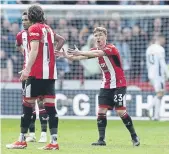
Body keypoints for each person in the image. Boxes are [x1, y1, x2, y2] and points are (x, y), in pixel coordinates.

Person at [57, 27, 140, 146]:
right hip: (106, 85)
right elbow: (80, 57)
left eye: (100, 35)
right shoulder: (93, 50)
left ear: (105, 36)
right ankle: (101, 140)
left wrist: (79, 51)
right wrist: (65, 55)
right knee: (101, 111)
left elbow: (96, 53)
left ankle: (134, 137)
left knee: (120, 111)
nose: (98, 37)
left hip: (119, 84)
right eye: (96, 35)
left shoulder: (111, 48)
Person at [6, 5, 65, 150]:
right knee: (50, 108)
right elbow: (57, 42)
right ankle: (54, 142)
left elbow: (34, 50)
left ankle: (21, 140)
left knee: (27, 105)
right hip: (50, 74)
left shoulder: (34, 28)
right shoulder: (49, 29)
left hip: (35, 74)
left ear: (31, 16)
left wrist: (26, 70)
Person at [15, 11, 49, 143]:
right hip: (27, 73)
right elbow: (18, 46)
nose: (23, 22)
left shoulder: (39, 31)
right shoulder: (20, 35)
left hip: (40, 72)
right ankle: (32, 134)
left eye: (26, 20)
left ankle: (44, 134)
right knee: (29, 104)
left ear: (31, 20)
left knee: (41, 103)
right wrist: (25, 53)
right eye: (22, 20)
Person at [145, 35, 169, 121]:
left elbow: (147, 64)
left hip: (151, 74)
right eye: (164, 39)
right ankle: (148, 108)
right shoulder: (160, 49)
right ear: (160, 39)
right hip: (158, 75)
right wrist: (167, 74)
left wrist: (149, 76)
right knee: (160, 93)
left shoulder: (148, 49)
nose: (165, 41)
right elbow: (162, 63)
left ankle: (156, 116)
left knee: (160, 94)